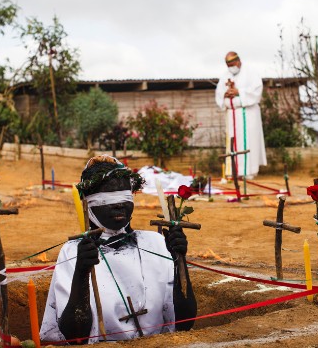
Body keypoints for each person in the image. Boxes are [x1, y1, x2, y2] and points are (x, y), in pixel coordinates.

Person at [39, 155, 197, 344]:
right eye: (107, 198)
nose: (119, 205)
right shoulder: (74, 252)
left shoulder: (155, 243)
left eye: (124, 197)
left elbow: (185, 323)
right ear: (88, 203)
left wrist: (179, 260)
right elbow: (74, 336)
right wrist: (81, 272)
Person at [215, 51, 267, 180]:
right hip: (232, 114)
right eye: (229, 65)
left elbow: (257, 90)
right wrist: (225, 95)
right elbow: (219, 92)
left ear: (238, 61)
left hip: (248, 114)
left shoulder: (251, 72)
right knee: (233, 142)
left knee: (249, 142)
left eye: (233, 64)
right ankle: (234, 170)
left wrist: (239, 92)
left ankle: (249, 171)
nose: (231, 67)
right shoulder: (225, 76)